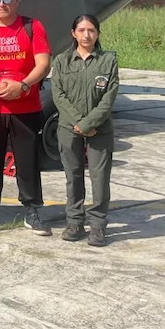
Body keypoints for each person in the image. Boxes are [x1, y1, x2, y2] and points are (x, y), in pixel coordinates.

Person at [0, 0, 52, 235]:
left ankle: (31, 209)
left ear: (17, 1)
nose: (2, 4)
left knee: (28, 160)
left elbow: (43, 64)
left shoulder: (32, 27)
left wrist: (24, 86)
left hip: (25, 107)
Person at [50, 14, 119, 247]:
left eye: (91, 30)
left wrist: (89, 123)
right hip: (68, 128)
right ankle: (75, 221)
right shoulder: (61, 61)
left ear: (97, 33)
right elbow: (58, 95)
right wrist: (79, 121)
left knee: (100, 178)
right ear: (73, 33)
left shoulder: (108, 61)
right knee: (73, 175)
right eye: (81, 30)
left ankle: (98, 226)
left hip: (100, 129)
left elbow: (109, 98)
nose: (86, 35)